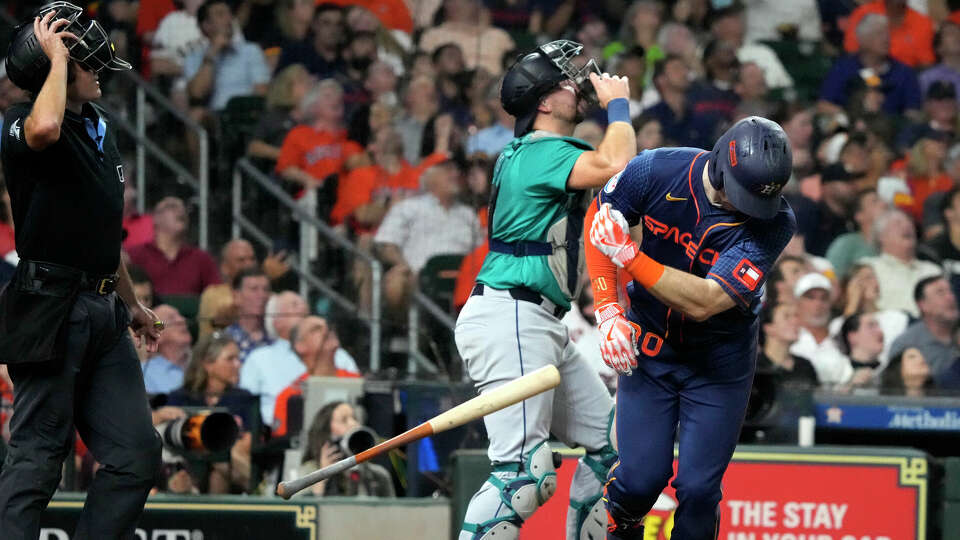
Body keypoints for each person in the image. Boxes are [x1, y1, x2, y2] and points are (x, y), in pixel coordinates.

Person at [455, 40, 634, 540]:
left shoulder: (537, 151)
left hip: (535, 321)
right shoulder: (539, 152)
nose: (577, 84)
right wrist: (618, 104)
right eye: (565, 81)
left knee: (613, 450)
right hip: (511, 315)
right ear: (544, 103)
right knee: (522, 476)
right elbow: (616, 163)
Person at [586, 116, 796, 537]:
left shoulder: (775, 224)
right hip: (652, 348)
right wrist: (608, 309)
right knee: (640, 480)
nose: (745, 207)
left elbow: (706, 302)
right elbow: (601, 218)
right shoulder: (656, 169)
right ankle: (617, 526)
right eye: (741, 195)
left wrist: (629, 255)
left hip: (718, 364)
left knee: (699, 489)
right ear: (720, 163)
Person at [0, 4, 163, 537]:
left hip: (103, 310)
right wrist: (57, 59)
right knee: (40, 454)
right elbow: (44, 126)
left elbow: (102, 228)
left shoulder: (98, 126)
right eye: (86, 64)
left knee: (136, 452)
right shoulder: (19, 126)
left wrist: (132, 303)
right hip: (51, 305)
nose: (98, 74)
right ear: (61, 68)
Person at [167, 333, 256, 493]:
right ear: (208, 364)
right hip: (187, 463)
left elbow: (249, 440)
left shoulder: (242, 397)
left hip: (231, 469)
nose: (238, 364)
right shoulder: (181, 397)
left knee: (219, 465)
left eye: (238, 359)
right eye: (230, 359)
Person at [272, 316, 360, 437]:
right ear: (300, 346)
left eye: (327, 327)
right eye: (316, 329)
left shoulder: (358, 382)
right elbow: (282, 444)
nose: (326, 331)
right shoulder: (289, 396)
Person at [126, 196, 222, 296]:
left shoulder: (201, 259)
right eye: (172, 206)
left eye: (183, 207)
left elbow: (217, 297)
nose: (181, 210)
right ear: (156, 218)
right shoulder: (135, 256)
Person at [297, 401, 394, 497]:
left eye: (354, 418)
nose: (353, 424)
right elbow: (306, 508)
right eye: (344, 420)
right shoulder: (309, 471)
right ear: (326, 433)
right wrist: (322, 476)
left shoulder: (378, 476)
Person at [861, 209, 941, 316]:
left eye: (909, 223)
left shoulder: (932, 270)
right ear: (881, 236)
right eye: (897, 223)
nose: (907, 226)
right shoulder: (869, 268)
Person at [889, 275, 960, 384]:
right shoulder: (906, 344)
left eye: (950, 291)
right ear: (923, 305)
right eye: (940, 293)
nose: (950, 297)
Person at [758, 302, 819, 388]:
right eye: (787, 316)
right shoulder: (754, 367)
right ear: (768, 328)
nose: (795, 321)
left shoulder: (805, 366)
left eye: (796, 316)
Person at [223, 267, 273, 362]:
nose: (262, 295)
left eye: (266, 289)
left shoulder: (277, 337)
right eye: (254, 289)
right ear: (236, 296)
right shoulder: (226, 341)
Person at [142, 304, 192, 394]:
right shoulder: (145, 373)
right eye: (172, 319)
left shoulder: (204, 362)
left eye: (180, 316)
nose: (182, 320)